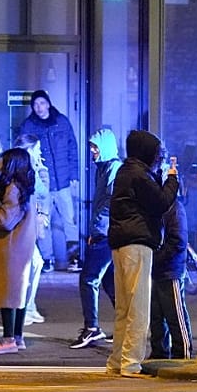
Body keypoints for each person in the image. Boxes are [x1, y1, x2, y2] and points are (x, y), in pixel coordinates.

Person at [106, 129, 181, 376]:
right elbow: (161, 202)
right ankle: (130, 363)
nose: (158, 157)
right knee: (138, 307)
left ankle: (117, 361)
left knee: (124, 309)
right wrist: (172, 179)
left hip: (120, 244)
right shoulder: (139, 175)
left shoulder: (125, 172)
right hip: (137, 244)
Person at [0, 147, 39, 355]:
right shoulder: (26, 188)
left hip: (9, 248)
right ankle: (17, 337)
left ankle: (8, 339)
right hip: (22, 247)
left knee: (8, 294)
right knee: (18, 294)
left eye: (2, 161)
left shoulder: (12, 189)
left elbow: (5, 220)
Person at [17, 91, 80, 272]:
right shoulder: (28, 125)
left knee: (69, 221)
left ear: (48, 103)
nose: (40, 108)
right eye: (36, 104)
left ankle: (74, 258)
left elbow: (72, 148)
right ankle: (47, 259)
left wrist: (74, 174)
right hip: (41, 183)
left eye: (43, 103)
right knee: (43, 221)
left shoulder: (62, 121)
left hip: (63, 182)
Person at [71, 128, 121, 349]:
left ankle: (92, 328)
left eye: (95, 147)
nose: (92, 151)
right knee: (109, 281)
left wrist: (96, 231)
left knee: (89, 278)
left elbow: (108, 203)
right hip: (105, 231)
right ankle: (126, 324)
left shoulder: (113, 169)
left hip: (105, 233)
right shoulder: (104, 169)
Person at [149, 162, 193, 359]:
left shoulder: (174, 208)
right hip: (161, 267)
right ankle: (159, 352)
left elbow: (177, 241)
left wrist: (156, 258)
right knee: (157, 315)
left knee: (175, 314)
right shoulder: (163, 207)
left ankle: (182, 353)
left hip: (170, 268)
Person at [17, 133, 51, 324]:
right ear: (29, 150)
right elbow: (40, 191)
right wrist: (39, 171)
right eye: (36, 149)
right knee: (33, 263)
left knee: (34, 263)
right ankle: (25, 307)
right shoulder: (26, 170)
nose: (39, 153)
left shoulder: (32, 168)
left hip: (28, 224)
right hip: (23, 225)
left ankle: (29, 306)